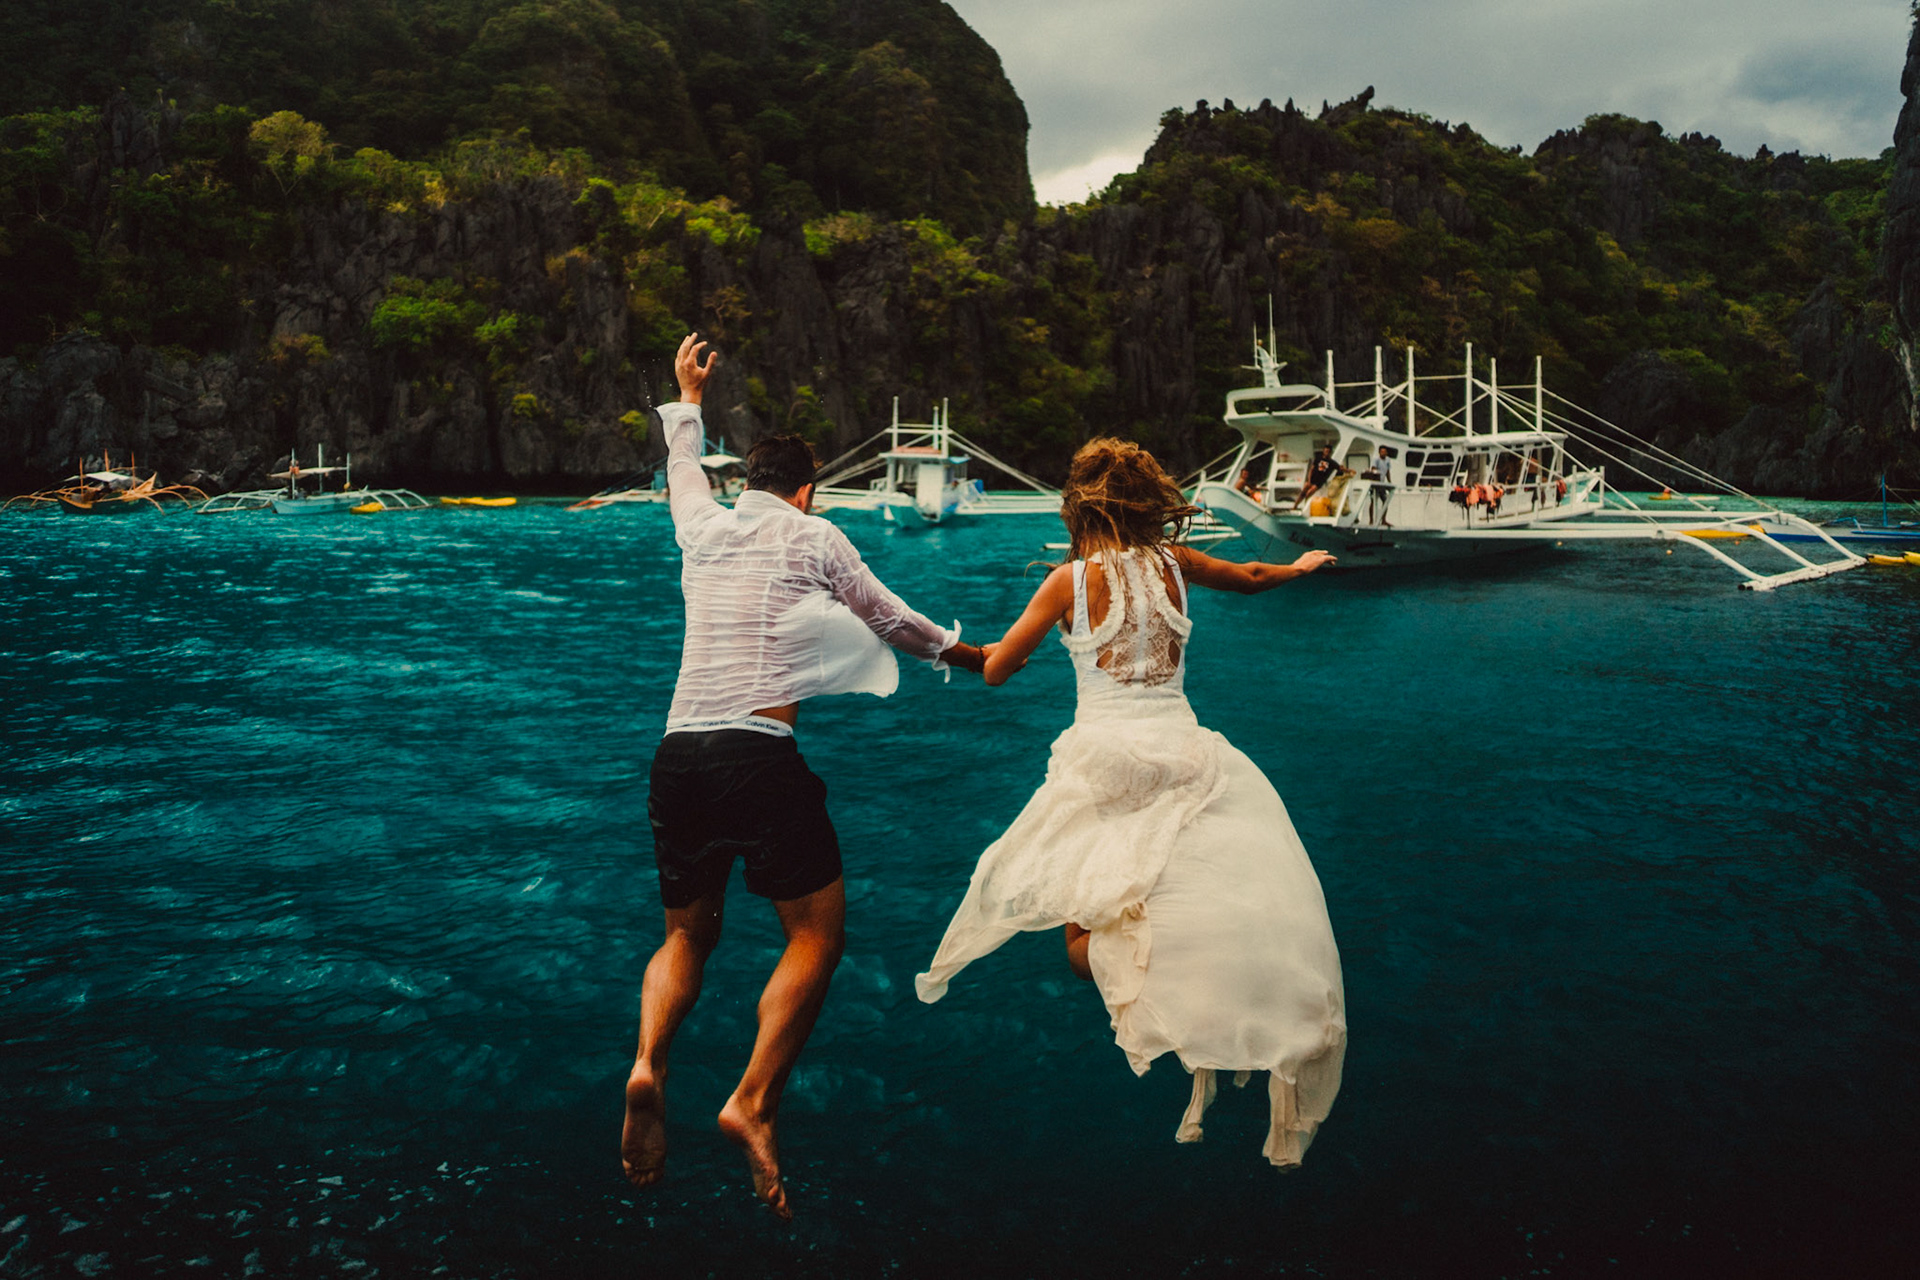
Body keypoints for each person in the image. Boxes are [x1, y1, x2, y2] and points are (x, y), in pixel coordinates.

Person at [622, 334, 987, 1220]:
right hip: (756, 755)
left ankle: (648, 1065)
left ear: (745, 480)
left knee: (685, 937)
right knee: (815, 936)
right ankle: (751, 1102)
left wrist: (687, 394)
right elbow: (892, 619)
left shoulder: (700, 527)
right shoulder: (816, 533)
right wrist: (970, 658)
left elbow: (679, 463)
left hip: (677, 756)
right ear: (807, 487)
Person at [916, 438, 1347, 1168]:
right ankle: (1181, 960)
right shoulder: (1176, 564)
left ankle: (1144, 961)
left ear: (1079, 512)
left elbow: (995, 672)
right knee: (1170, 885)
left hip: (1108, 766)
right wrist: (1298, 568)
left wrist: (939, 647)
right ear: (1149, 505)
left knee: (1082, 945)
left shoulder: (1070, 580)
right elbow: (1245, 574)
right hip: (1184, 756)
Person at [1291, 445, 1348, 512]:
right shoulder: (1318, 458)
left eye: (1328, 452)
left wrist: (1349, 470)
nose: (1327, 453)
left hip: (1319, 482)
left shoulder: (1331, 462)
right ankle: (1295, 506)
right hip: (1312, 479)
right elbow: (1311, 470)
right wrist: (1309, 480)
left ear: (1330, 453)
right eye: (1326, 451)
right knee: (1302, 493)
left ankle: (1305, 509)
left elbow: (1341, 468)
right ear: (1323, 451)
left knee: (1308, 494)